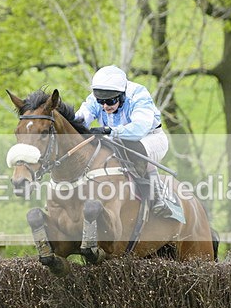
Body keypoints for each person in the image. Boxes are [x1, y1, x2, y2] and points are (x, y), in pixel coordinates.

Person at [74, 65, 174, 218]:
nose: (105, 106)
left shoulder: (138, 95)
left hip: (150, 138)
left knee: (136, 148)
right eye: (100, 101)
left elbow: (139, 129)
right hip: (116, 140)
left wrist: (109, 131)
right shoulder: (97, 99)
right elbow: (79, 120)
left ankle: (159, 194)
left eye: (110, 101)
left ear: (122, 96)